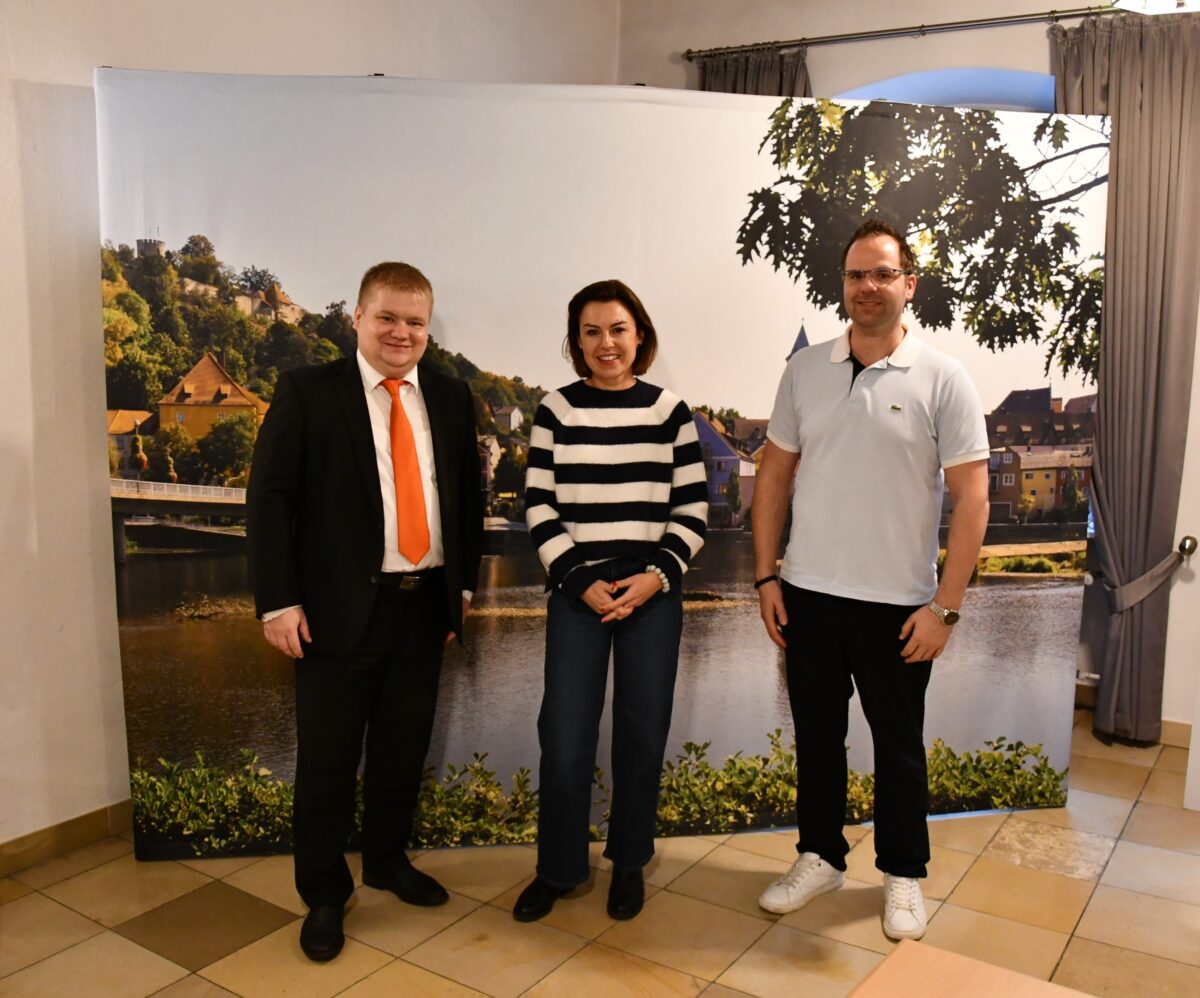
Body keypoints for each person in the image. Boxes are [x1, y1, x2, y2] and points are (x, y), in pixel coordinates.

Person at [752, 220, 989, 940]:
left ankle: (903, 875)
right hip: (810, 596)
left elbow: (973, 497)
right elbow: (772, 477)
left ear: (908, 284)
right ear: (843, 283)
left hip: (898, 606)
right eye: (856, 274)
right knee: (818, 740)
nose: (868, 287)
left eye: (883, 274)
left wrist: (945, 609)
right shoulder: (805, 371)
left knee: (899, 747)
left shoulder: (943, 377)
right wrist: (767, 575)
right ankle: (820, 856)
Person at [247, 262, 482, 962]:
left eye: (415, 321)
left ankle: (385, 860)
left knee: (402, 751)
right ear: (357, 317)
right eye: (387, 317)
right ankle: (324, 894)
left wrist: (460, 589)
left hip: (422, 608)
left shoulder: (449, 393)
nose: (401, 332)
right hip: (334, 614)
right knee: (326, 762)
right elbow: (270, 502)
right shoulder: (307, 392)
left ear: (427, 327)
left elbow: (466, 500)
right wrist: (278, 602)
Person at [512, 280, 708, 923]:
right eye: (591, 332)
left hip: (652, 589)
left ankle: (628, 863)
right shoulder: (554, 411)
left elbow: (692, 510)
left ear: (640, 335)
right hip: (579, 588)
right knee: (565, 736)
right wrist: (575, 578)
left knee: (641, 732)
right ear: (576, 342)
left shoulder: (671, 413)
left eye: (618, 329)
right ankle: (560, 870)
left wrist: (657, 575)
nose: (606, 343)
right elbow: (538, 504)